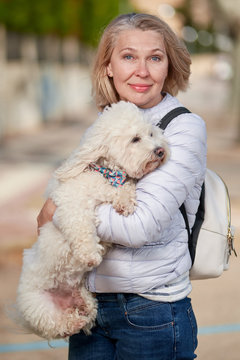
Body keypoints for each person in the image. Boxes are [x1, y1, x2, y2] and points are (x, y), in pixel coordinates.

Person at [37, 13, 207, 360]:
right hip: (92, 309)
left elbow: (138, 226)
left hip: (152, 312)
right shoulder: (109, 120)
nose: (142, 71)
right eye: (128, 56)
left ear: (168, 66)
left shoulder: (183, 129)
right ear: (109, 66)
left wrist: (64, 210)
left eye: (155, 58)